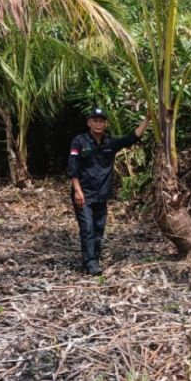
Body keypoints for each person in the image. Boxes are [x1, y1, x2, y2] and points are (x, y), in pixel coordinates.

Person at [67, 107, 149, 275]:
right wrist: (77, 191)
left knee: (98, 228)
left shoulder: (110, 142)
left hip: (102, 194)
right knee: (87, 228)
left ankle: (94, 259)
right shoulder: (79, 142)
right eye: (95, 121)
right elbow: (72, 167)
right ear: (89, 123)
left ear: (105, 124)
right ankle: (90, 263)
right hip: (83, 193)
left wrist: (147, 119)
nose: (98, 124)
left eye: (101, 121)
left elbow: (132, 138)